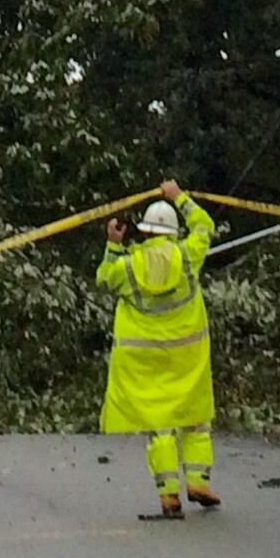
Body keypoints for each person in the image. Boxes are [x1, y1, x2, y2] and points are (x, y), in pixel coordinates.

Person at [99, 182, 218, 518]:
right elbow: (205, 226)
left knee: (160, 427)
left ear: (146, 231)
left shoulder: (128, 266)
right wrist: (178, 196)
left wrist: (113, 244)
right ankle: (198, 481)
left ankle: (169, 496)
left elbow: (105, 279)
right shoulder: (188, 256)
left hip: (145, 360)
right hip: (186, 357)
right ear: (172, 232)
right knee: (195, 420)